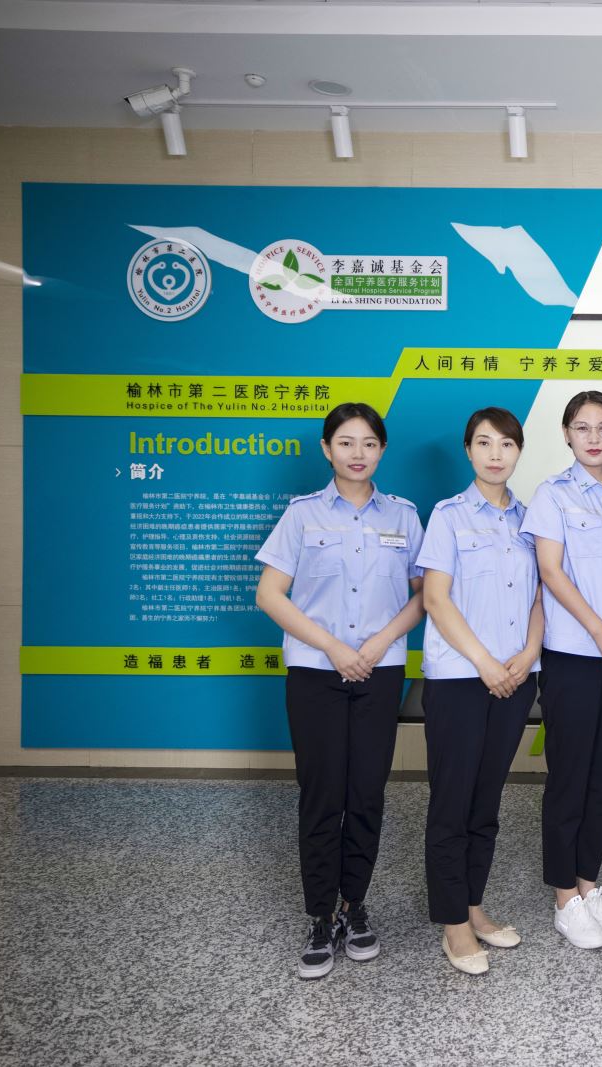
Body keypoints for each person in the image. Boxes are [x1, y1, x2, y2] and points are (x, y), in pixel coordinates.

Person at [254, 402, 425, 980]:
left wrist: (377, 644)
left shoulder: (404, 515)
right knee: (323, 794)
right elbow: (269, 595)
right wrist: (333, 647)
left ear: (382, 450)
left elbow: (425, 595)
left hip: (380, 671)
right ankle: (320, 915)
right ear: (327, 449)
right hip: (316, 673)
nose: (358, 453)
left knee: (367, 792)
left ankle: (355, 906)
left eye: (369, 443)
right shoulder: (302, 515)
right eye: (346, 442)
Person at [417, 406, 544, 975]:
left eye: (507, 444)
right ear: (468, 450)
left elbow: (541, 597)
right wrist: (485, 662)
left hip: (515, 678)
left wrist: (528, 654)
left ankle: (473, 905)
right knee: (452, 802)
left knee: (486, 801)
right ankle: (453, 924)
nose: (496, 454)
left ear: (519, 451)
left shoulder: (530, 520)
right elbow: (436, 598)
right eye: (485, 443)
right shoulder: (448, 516)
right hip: (461, 679)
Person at [522, 391, 602, 949]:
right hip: (574, 654)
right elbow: (551, 571)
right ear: (567, 435)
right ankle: (564, 898)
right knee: (569, 779)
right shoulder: (553, 495)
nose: (593, 437)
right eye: (582, 427)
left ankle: (590, 886)